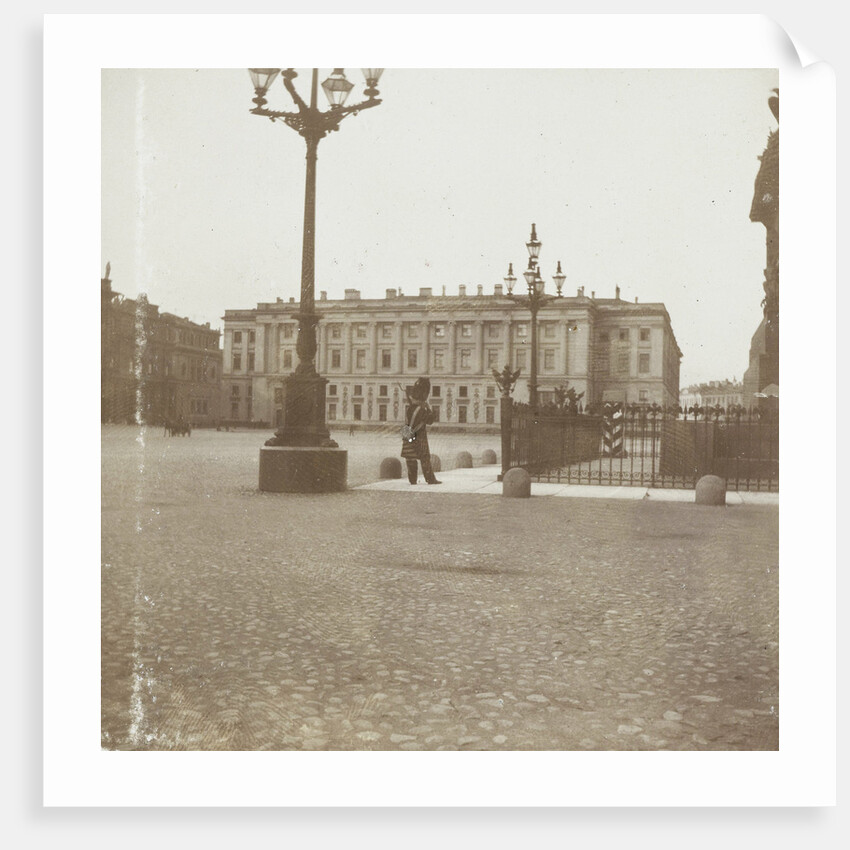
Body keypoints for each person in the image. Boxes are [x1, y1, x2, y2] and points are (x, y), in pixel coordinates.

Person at [401, 377, 441, 485]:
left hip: (407, 434)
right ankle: (430, 479)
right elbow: (430, 420)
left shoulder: (410, 408)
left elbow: (408, 424)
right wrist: (428, 408)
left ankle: (412, 480)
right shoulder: (421, 409)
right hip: (419, 436)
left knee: (410, 458)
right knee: (425, 458)